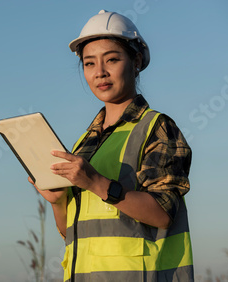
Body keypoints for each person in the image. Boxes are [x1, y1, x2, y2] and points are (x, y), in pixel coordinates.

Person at [29, 10, 193, 281]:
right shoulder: (84, 143)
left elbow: (164, 213)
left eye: (112, 59)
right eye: (89, 64)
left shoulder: (157, 128)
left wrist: (95, 182)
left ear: (136, 61)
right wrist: (58, 203)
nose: (100, 73)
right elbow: (72, 232)